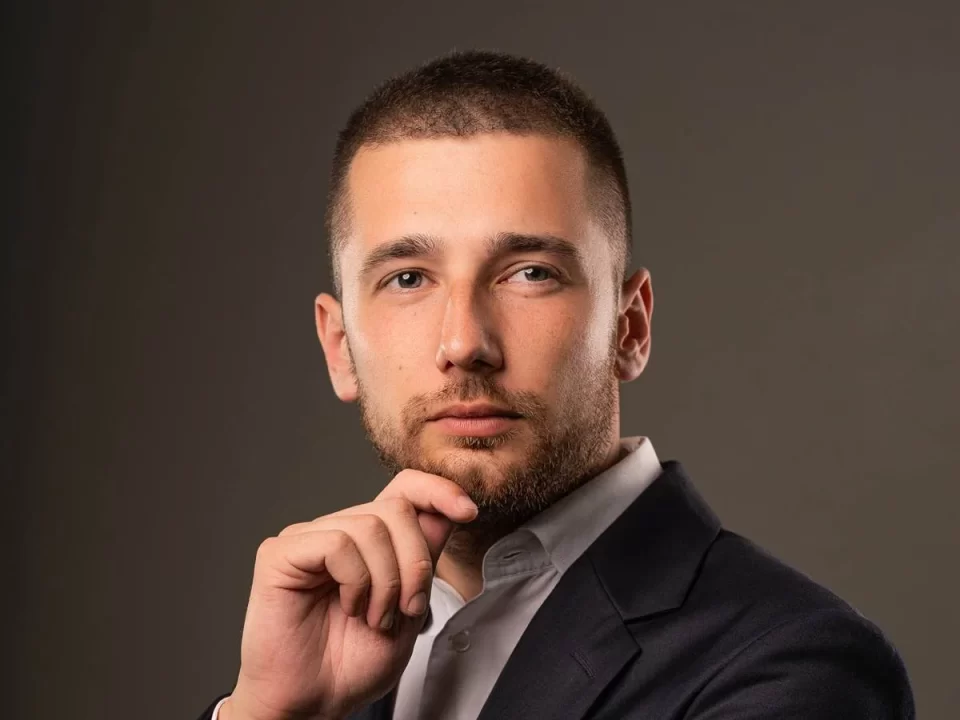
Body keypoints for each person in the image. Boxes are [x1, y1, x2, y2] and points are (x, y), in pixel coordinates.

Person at [196, 50, 914, 720]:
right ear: (339, 346)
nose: (464, 344)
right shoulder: (318, 666)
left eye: (530, 273)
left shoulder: (797, 664)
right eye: (408, 279)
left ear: (630, 327)